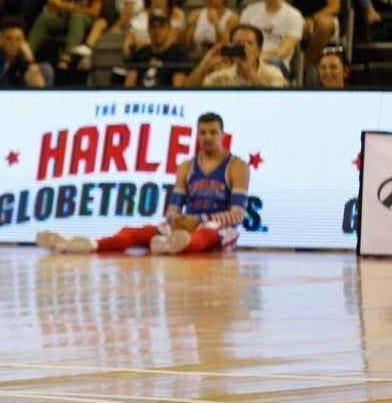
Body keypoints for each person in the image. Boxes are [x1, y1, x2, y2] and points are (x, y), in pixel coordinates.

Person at [39, 113, 248, 255]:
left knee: (203, 235)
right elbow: (172, 209)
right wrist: (175, 219)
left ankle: (172, 244)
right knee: (134, 233)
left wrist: (200, 219)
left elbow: (238, 214)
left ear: (222, 134)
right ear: (197, 135)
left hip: (216, 227)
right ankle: (90, 244)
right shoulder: (186, 167)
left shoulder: (236, 166)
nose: (208, 137)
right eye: (203, 132)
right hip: (186, 225)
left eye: (213, 132)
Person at [187, 23, 286, 88]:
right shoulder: (222, 76)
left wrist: (250, 72)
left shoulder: (273, 73)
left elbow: (274, 98)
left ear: (258, 51)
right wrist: (205, 65)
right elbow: (189, 90)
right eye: (238, 44)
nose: (243, 48)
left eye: (249, 43)